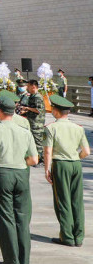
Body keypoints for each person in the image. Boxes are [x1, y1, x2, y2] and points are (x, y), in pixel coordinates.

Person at [0, 91, 39, 264]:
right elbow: (34, 159)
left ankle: (11, 260)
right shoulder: (24, 131)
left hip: (2, 173)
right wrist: (20, 162)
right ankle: (24, 261)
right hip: (21, 173)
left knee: (5, 218)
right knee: (22, 218)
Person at [43, 94, 89, 247]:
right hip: (75, 163)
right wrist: (76, 156)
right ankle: (79, 235)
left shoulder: (51, 128)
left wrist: (47, 169)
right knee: (76, 200)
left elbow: (48, 151)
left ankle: (67, 236)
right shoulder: (78, 128)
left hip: (61, 164)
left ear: (56, 111)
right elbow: (86, 152)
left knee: (63, 200)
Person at [19, 79, 46, 161]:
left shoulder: (37, 97)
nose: (27, 88)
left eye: (29, 86)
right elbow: (32, 109)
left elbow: (38, 110)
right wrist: (25, 111)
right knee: (33, 141)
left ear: (33, 87)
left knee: (38, 142)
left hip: (37, 124)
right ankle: (35, 157)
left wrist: (27, 108)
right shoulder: (32, 96)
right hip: (32, 122)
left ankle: (41, 159)